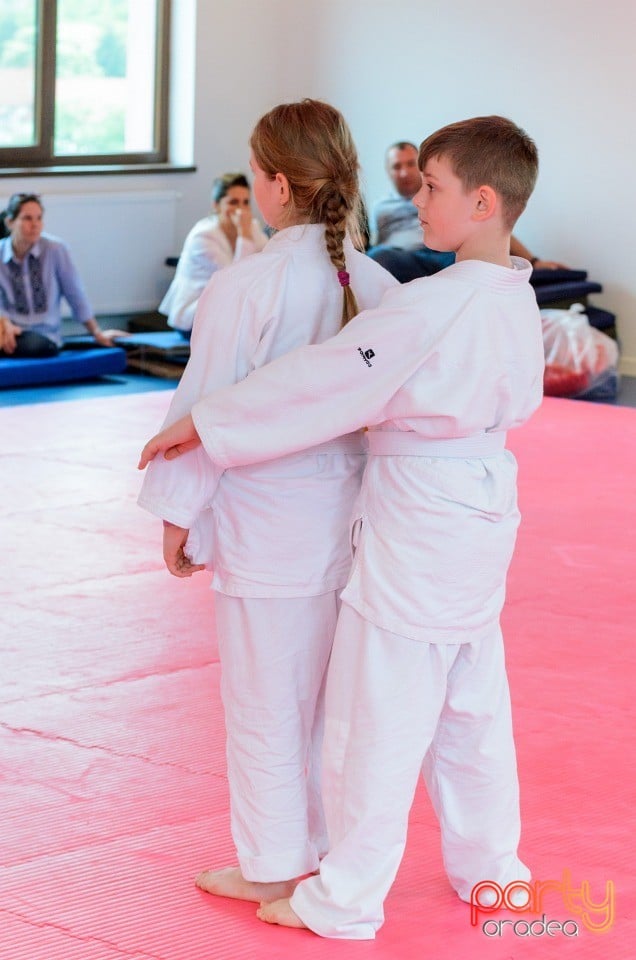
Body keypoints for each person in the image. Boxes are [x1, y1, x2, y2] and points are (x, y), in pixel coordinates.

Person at [138, 114, 546, 939]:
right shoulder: (503, 294)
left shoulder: (427, 302)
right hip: (462, 516)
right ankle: (491, 870)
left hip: (402, 527)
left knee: (367, 718)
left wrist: (205, 429)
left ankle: (338, 893)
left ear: (481, 199)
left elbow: (323, 382)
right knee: (470, 707)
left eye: (430, 186)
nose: (417, 199)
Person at [137, 100, 397, 903]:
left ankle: (275, 864)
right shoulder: (382, 285)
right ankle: (317, 849)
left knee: (264, 702)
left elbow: (202, 408)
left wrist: (178, 516)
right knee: (329, 702)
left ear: (277, 183)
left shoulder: (246, 287)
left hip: (267, 526)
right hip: (356, 526)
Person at [367, 139, 567, 282]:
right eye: (397, 166)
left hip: (445, 255)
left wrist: (534, 261)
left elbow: (492, 227)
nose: (404, 172)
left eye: (410, 164)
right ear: (388, 170)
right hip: (402, 258)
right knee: (377, 256)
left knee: (478, 257)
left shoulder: (448, 193)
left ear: (420, 165)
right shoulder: (380, 208)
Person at [0, 193, 121, 357]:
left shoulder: (55, 249)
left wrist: (96, 332)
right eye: (27, 218)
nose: (35, 225)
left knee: (35, 346)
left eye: (39, 218)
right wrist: (4, 323)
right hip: (6, 330)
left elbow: (75, 293)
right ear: (10, 222)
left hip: (43, 336)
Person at [159, 173, 268, 337]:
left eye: (245, 202)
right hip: (196, 316)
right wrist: (244, 234)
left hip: (231, 312)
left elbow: (269, 261)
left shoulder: (252, 227)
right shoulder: (203, 236)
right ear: (216, 205)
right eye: (233, 202)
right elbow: (235, 280)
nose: (241, 209)